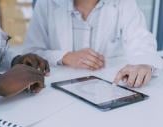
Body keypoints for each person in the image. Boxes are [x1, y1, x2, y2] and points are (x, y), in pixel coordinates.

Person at [23, 0, 163, 88]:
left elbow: (141, 40)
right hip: (56, 90)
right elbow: (30, 53)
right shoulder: (46, 3)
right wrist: (64, 57)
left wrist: (144, 63)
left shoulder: (124, 3)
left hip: (108, 87)